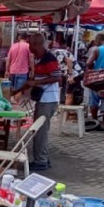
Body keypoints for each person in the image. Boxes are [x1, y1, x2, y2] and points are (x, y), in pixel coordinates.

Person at [20, 33, 62, 171]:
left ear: (37, 44)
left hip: (48, 100)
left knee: (40, 131)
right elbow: (33, 81)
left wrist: (37, 82)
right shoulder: (39, 59)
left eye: (31, 45)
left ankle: (41, 160)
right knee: (39, 130)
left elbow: (57, 77)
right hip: (43, 100)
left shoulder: (49, 58)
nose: (29, 48)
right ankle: (43, 157)